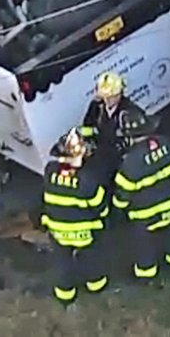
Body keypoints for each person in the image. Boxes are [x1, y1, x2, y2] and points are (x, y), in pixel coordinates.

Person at [112, 109, 170, 283]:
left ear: (129, 136)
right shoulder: (167, 144)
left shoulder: (130, 163)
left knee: (144, 246)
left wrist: (117, 210)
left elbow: (123, 194)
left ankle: (146, 275)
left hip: (146, 215)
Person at [40, 128, 109, 306]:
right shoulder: (87, 179)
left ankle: (65, 294)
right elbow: (100, 207)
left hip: (57, 231)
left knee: (62, 262)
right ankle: (96, 285)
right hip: (84, 232)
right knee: (91, 258)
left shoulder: (49, 171)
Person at [80, 71, 143, 178]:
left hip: (121, 161)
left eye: (111, 96)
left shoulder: (130, 111)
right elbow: (87, 126)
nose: (107, 100)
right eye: (104, 96)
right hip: (101, 156)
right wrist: (88, 142)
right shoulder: (96, 106)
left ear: (120, 94)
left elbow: (138, 139)